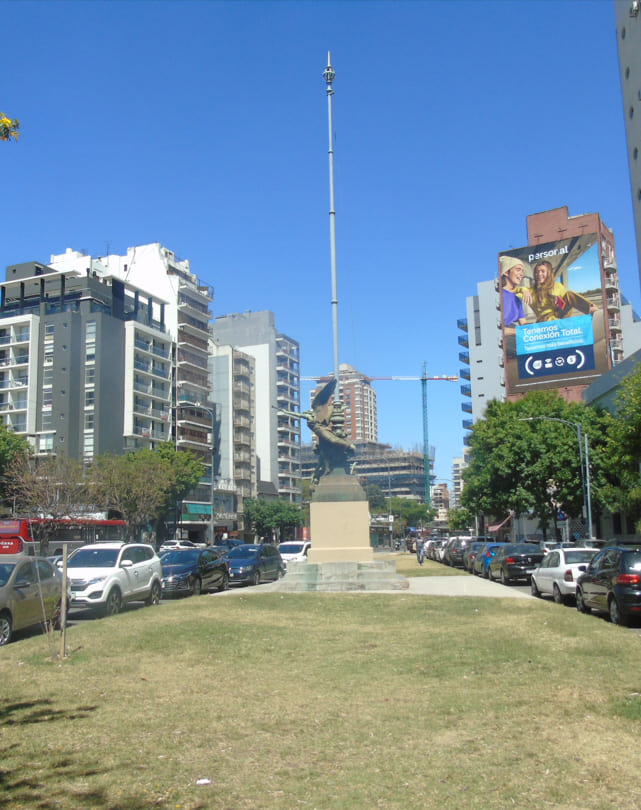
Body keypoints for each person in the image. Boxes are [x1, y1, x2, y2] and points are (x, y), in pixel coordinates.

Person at [530, 259, 598, 322]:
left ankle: (593, 310)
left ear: (549, 273)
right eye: (536, 272)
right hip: (544, 320)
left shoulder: (558, 286)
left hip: (559, 315)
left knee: (570, 294)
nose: (539, 274)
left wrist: (557, 301)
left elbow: (564, 306)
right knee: (547, 317)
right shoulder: (532, 290)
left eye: (542, 271)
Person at [499, 255, 531, 333]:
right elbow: (495, 328)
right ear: (506, 272)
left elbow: (523, 322)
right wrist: (519, 332)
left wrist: (539, 326)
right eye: (518, 270)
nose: (521, 274)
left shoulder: (517, 298)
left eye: (522, 271)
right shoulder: (499, 295)